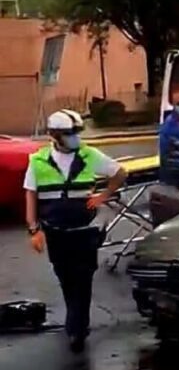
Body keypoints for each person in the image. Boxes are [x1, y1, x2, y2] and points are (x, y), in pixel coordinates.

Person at [24, 110, 126, 351]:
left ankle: (77, 328)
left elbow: (120, 173)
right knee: (66, 278)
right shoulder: (38, 161)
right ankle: (76, 320)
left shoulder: (89, 155)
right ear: (55, 136)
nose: (76, 138)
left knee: (83, 279)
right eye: (70, 134)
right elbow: (31, 195)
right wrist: (33, 229)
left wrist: (103, 196)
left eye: (77, 133)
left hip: (84, 231)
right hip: (56, 232)